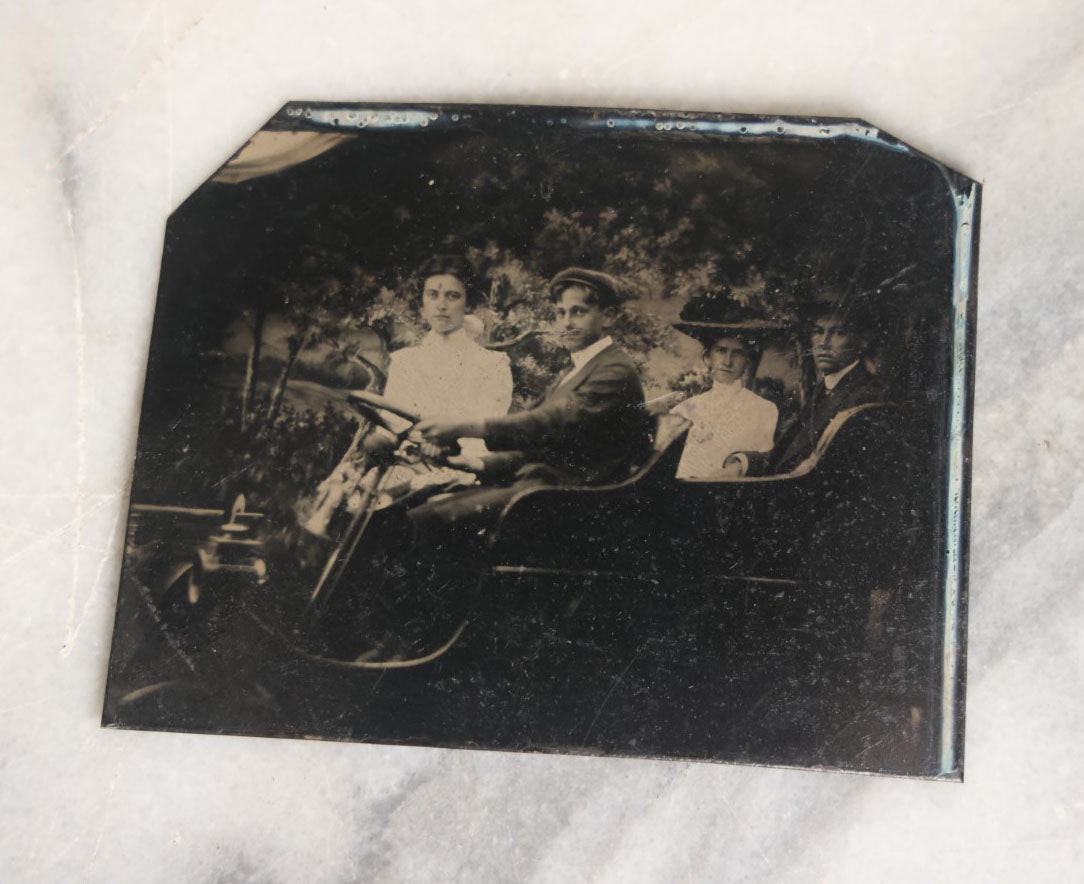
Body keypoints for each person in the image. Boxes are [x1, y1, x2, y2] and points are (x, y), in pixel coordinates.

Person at [356, 267, 652, 659]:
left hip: (574, 502)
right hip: (547, 489)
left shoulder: (613, 370)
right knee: (422, 510)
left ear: (608, 317)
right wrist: (471, 464)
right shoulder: (577, 369)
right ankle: (419, 635)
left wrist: (465, 426)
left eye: (578, 312)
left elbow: (546, 425)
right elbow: (542, 447)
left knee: (433, 519)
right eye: (561, 313)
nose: (566, 322)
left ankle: (421, 644)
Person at [300, 254, 512, 535]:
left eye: (453, 296)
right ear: (423, 302)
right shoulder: (406, 361)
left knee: (392, 511)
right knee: (343, 497)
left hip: (456, 468)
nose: (442, 305)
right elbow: (392, 425)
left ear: (467, 303)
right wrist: (387, 443)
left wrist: (446, 447)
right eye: (433, 295)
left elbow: (483, 434)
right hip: (404, 460)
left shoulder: (492, 365)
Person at [730, 286, 887, 476]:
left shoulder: (866, 394)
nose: (824, 343)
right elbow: (785, 455)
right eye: (818, 332)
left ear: (863, 341)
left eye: (838, 333)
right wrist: (741, 463)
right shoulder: (824, 389)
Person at [669, 293, 779, 479]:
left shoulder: (764, 409)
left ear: (746, 362)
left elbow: (762, 464)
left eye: (737, 354)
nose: (727, 362)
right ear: (707, 358)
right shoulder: (683, 411)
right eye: (721, 351)